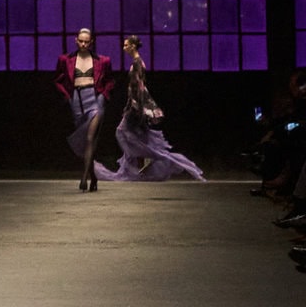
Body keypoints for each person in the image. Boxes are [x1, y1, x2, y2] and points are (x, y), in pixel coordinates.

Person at [96, 35, 204, 183]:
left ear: (133, 46)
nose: (124, 47)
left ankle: (150, 159)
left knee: (122, 132)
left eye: (126, 45)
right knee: (137, 137)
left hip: (136, 106)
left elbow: (139, 88)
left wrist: (137, 107)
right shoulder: (137, 62)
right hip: (135, 104)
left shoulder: (138, 63)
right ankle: (140, 168)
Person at [53, 27, 116, 191]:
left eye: (86, 42)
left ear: (91, 43)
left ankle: (84, 178)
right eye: (80, 41)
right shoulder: (65, 59)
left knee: (89, 138)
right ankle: (93, 177)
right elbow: (58, 80)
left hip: (95, 99)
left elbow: (110, 81)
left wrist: (103, 95)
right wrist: (67, 96)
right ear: (76, 40)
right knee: (84, 142)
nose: (83, 44)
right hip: (76, 100)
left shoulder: (102, 61)